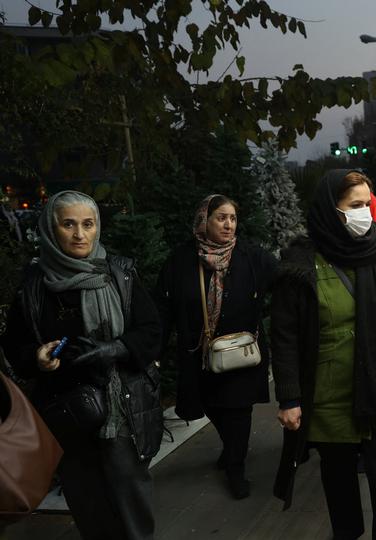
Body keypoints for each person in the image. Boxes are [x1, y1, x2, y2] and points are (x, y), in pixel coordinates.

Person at [1, 190, 163, 540]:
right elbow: (15, 346)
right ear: (51, 229)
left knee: (132, 502)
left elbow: (152, 331)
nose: (79, 234)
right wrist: (36, 357)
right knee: (88, 505)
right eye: (68, 224)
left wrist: (115, 349)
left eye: (87, 225)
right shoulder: (35, 285)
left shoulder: (120, 275)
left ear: (97, 228)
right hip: (68, 416)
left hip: (122, 409)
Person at [272, 170, 376, 540]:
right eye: (355, 206)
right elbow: (285, 335)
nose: (365, 213)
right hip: (330, 395)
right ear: (330, 210)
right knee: (338, 481)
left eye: (367, 204)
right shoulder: (302, 263)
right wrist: (290, 396)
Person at [156, 194, 277, 500]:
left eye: (233, 218)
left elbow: (282, 282)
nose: (228, 224)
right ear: (204, 220)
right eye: (220, 217)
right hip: (201, 352)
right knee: (210, 403)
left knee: (238, 408)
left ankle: (236, 467)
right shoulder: (182, 259)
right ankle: (232, 448)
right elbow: (164, 306)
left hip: (242, 353)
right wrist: (155, 349)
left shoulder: (251, 256)